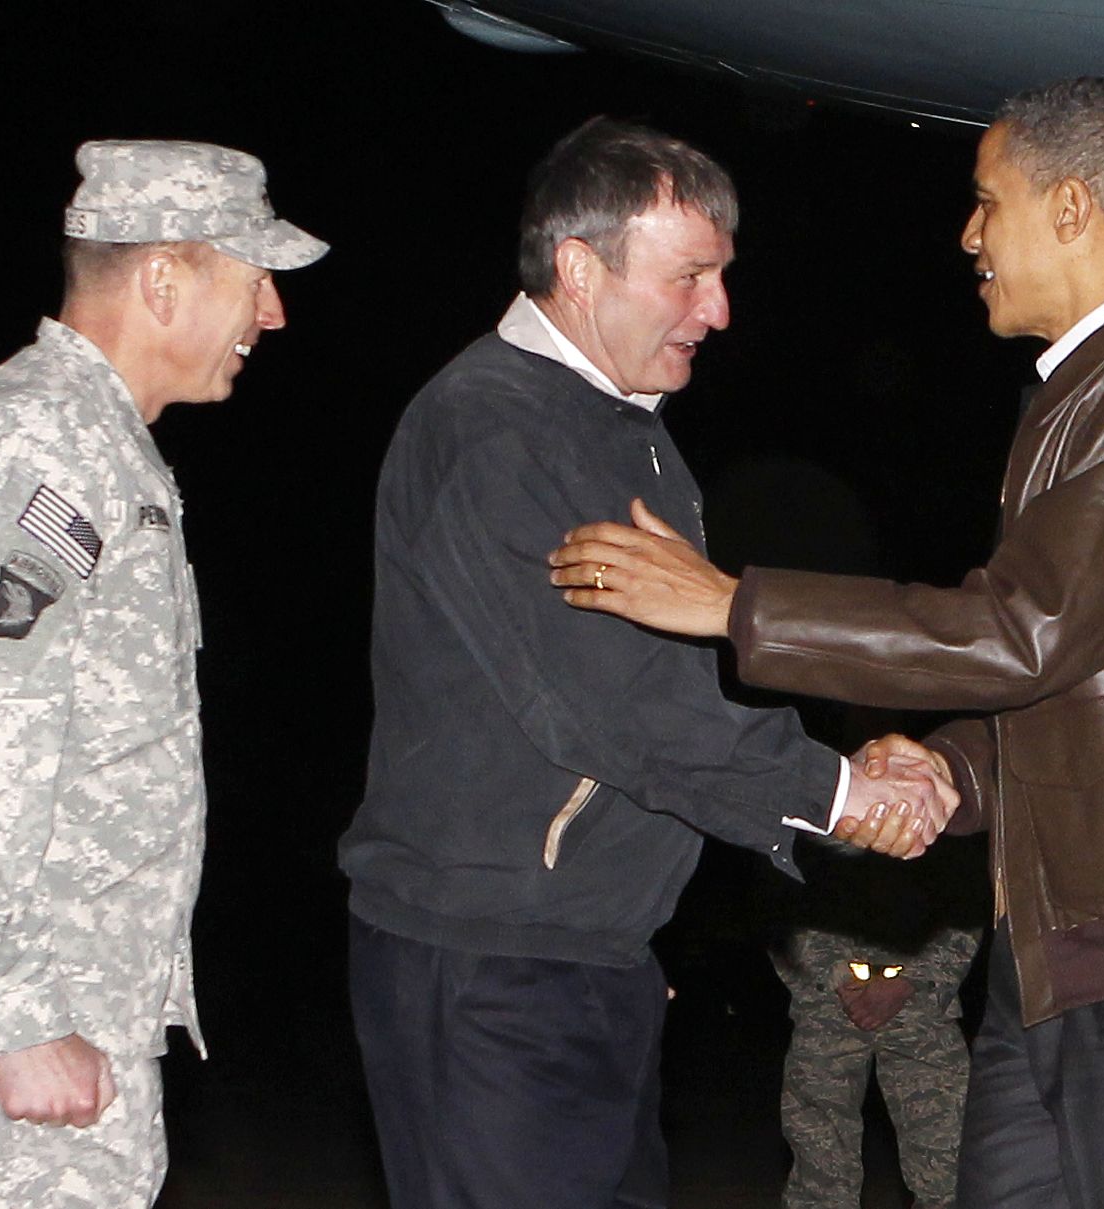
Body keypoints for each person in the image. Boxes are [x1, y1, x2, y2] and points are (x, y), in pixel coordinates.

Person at [549, 78, 1104, 1209]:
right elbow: (1084, 677)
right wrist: (948, 771)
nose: (969, 235)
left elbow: (1019, 632)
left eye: (989, 201)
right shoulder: (1092, 391)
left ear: (1071, 208)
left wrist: (733, 605)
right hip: (1068, 951)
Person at [337, 117, 955, 1209]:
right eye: (689, 277)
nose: (718, 311)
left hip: (586, 959)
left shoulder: (625, 430)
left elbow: (652, 701)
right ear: (580, 269)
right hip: (490, 966)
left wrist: (625, 928)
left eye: (720, 276)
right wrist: (842, 792)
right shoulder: (496, 433)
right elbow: (616, 711)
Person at [0, 140, 326, 1208]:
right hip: (23, 1012)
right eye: (254, 278)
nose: (271, 313)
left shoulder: (101, 443)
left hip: (81, 997)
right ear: (163, 279)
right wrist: (24, 1016)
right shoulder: (45, 446)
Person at [771, 838, 982, 1209]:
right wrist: (838, 976)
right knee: (820, 1174)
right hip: (829, 1004)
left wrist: (911, 980)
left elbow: (966, 900)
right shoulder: (812, 811)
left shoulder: (935, 811)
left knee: (946, 1168)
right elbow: (779, 896)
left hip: (920, 1007)